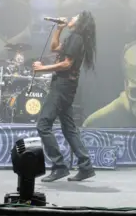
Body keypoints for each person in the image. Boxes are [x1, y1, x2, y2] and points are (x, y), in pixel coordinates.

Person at [32, 10, 96, 182]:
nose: (71, 17)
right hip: (66, 86)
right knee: (69, 128)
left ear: (80, 22)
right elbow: (54, 48)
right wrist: (59, 29)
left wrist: (41, 69)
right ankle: (86, 166)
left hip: (62, 86)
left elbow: (67, 64)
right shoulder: (73, 38)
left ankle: (59, 166)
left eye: (75, 16)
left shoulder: (77, 38)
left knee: (43, 125)